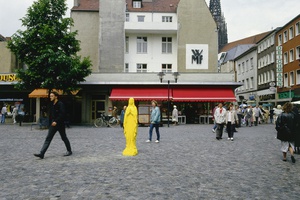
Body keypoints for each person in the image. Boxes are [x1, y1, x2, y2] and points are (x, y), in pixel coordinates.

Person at [34, 91, 72, 159]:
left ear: (56, 97)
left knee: (64, 137)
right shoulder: (52, 104)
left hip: (60, 124)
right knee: (48, 138)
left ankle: (69, 151)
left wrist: (56, 121)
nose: (50, 97)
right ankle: (42, 153)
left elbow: (62, 114)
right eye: (50, 96)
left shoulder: (60, 104)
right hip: (53, 124)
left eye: (52, 96)